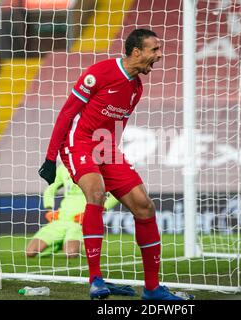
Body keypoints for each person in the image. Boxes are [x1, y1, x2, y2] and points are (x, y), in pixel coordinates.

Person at [39, 29, 187, 300]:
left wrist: (111, 155)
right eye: (154, 50)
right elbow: (67, 113)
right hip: (79, 142)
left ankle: (152, 288)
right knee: (96, 191)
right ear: (136, 52)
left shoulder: (136, 88)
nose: (159, 55)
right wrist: (50, 158)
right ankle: (96, 279)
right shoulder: (100, 73)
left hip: (107, 149)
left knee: (144, 206)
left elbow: (114, 129)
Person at [27, 163, 119, 258]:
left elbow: (116, 193)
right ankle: (60, 242)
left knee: (71, 254)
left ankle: (70, 244)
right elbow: (50, 189)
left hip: (79, 222)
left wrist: (95, 212)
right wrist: (49, 209)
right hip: (61, 219)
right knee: (30, 252)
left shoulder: (98, 167)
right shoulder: (63, 168)